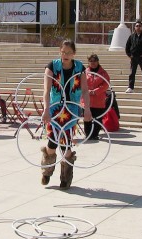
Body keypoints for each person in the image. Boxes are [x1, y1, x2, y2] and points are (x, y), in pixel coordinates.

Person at [40, 39, 92, 189]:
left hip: (71, 109)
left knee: (66, 143)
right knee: (52, 141)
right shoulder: (52, 66)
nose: (66, 55)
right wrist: (45, 109)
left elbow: (85, 90)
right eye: (63, 52)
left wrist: (87, 109)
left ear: (74, 53)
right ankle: (47, 170)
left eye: (69, 53)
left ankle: (66, 177)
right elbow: (46, 91)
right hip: (55, 108)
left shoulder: (79, 67)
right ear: (59, 51)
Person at [84, 53, 109, 140]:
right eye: (91, 61)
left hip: (98, 100)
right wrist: (87, 91)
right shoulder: (85, 72)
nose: (93, 63)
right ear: (88, 62)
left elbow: (106, 84)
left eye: (94, 61)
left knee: (97, 118)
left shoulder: (103, 73)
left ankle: (95, 134)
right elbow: (80, 84)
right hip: (87, 100)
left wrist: (95, 91)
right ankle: (88, 134)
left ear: (98, 61)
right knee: (87, 118)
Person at [125, 20, 142, 94]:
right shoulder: (131, 36)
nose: (138, 27)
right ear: (134, 27)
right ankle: (130, 87)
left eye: (139, 26)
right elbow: (127, 46)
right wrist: (129, 55)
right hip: (133, 57)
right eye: (137, 26)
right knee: (132, 73)